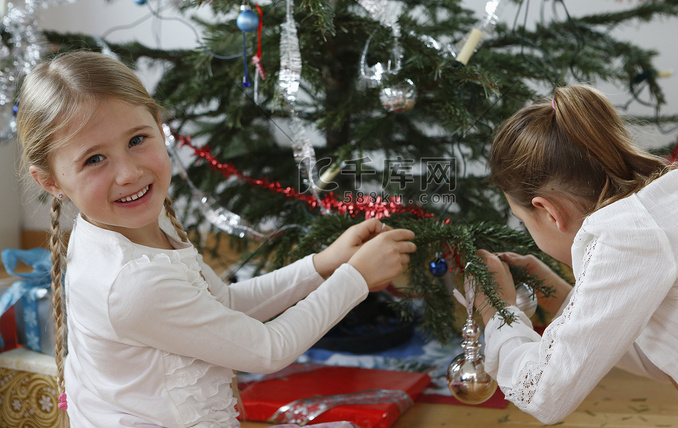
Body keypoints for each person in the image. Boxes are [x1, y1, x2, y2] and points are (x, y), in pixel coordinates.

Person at [16, 51, 417, 427]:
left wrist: (322, 265)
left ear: (159, 125)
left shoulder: (135, 225)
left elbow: (221, 304)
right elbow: (267, 349)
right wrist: (356, 278)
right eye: (94, 160)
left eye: (137, 140)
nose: (129, 173)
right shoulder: (132, 282)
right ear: (51, 182)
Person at [476, 84, 678, 428]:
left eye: (523, 221)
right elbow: (663, 353)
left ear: (548, 212)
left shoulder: (626, 235)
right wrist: (561, 292)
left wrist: (498, 313)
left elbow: (545, 395)